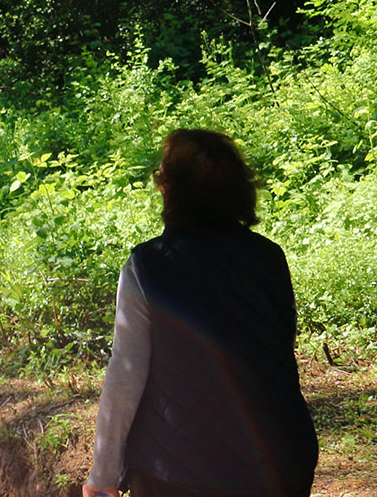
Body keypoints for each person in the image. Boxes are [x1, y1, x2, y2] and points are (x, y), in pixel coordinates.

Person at [83, 130, 316, 497]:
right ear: (239, 187)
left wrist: (102, 474)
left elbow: (126, 375)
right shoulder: (269, 257)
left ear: (168, 190)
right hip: (283, 461)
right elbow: (278, 351)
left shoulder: (147, 266)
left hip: (177, 473)